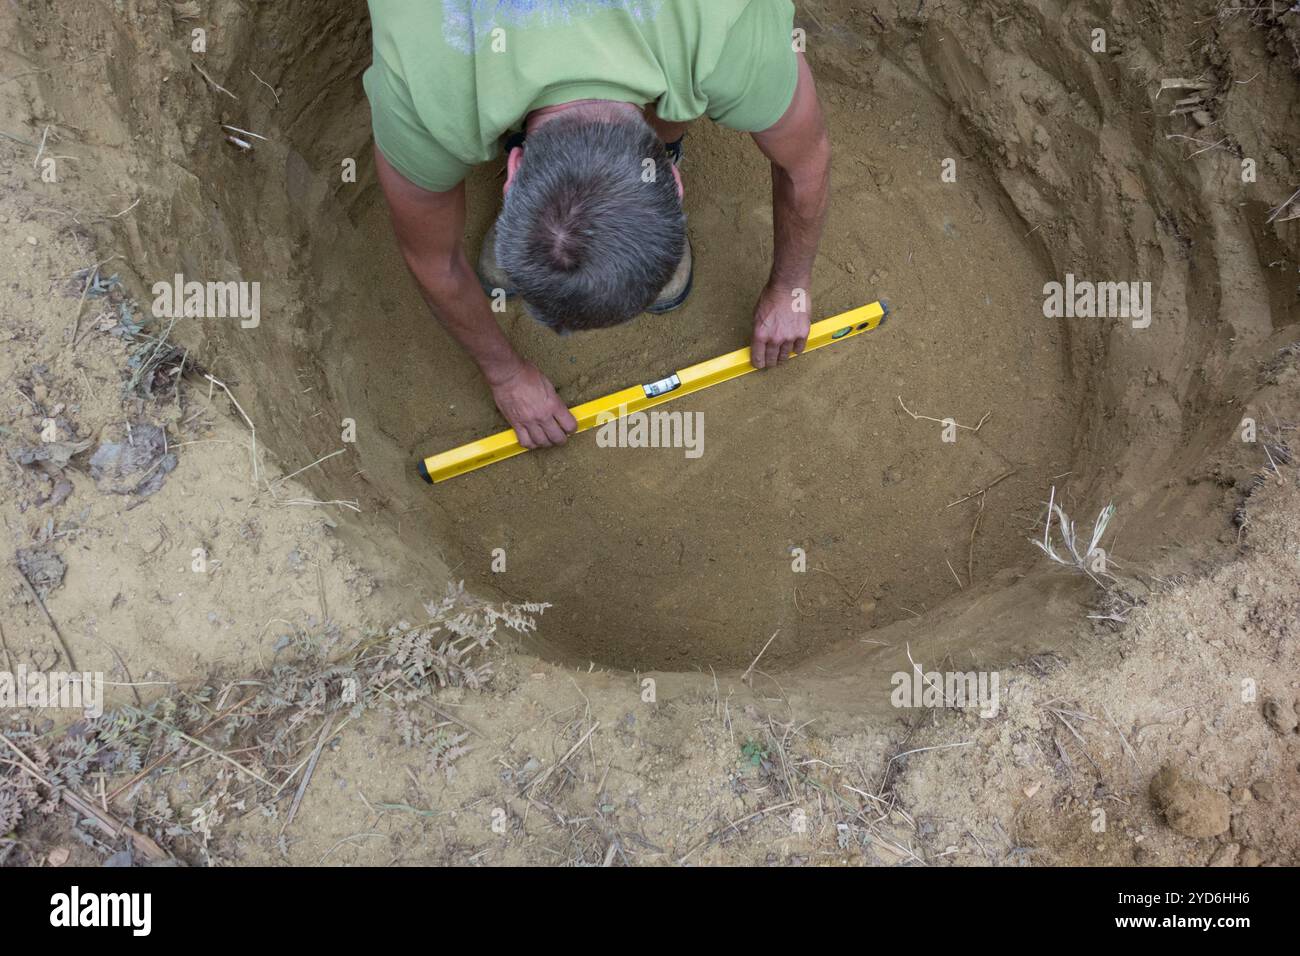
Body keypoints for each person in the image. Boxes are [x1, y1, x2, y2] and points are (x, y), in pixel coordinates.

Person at [365, 0, 829, 450]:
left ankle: (654, 128)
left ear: (513, 172)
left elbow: (804, 164)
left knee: (687, 71)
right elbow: (433, 260)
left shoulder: (724, 28)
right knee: (683, 66)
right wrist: (504, 374)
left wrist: (792, 286)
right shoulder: (425, 87)